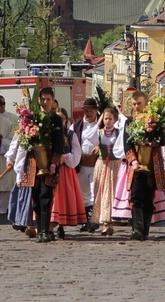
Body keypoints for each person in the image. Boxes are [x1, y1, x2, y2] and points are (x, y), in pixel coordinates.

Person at [18, 87, 65, 243]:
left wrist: (54, 163)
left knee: (46, 197)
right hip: (34, 162)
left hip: (49, 162)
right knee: (36, 198)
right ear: (38, 100)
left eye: (48, 99)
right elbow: (24, 139)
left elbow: (59, 144)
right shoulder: (32, 117)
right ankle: (39, 230)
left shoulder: (56, 119)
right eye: (43, 99)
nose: (45, 102)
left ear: (53, 101)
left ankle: (45, 230)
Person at [124, 92, 165, 241]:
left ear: (146, 103)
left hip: (151, 164)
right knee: (135, 195)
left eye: (139, 103)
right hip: (136, 165)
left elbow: (163, 139)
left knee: (148, 197)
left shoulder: (155, 120)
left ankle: (146, 229)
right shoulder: (129, 122)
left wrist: (153, 141)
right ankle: (137, 228)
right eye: (134, 104)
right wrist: (133, 161)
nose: (136, 107)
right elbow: (127, 143)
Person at [50, 107, 87, 239]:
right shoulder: (49, 133)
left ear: (66, 120)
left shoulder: (71, 135)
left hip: (65, 171)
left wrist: (65, 157)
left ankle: (60, 225)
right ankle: (49, 226)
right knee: (52, 199)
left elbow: (77, 155)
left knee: (63, 199)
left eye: (62, 119)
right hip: (51, 170)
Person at [91, 108, 122, 236]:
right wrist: (98, 122)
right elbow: (89, 137)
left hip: (115, 166)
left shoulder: (118, 132)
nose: (107, 121)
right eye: (105, 118)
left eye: (110, 118)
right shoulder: (99, 132)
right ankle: (104, 222)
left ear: (115, 120)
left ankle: (110, 223)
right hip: (102, 165)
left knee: (112, 194)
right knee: (102, 193)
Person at [72, 97, 100, 232]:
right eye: (86, 111)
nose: (88, 114)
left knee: (94, 191)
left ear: (96, 111)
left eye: (91, 111)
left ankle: (93, 220)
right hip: (82, 164)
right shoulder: (77, 125)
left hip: (96, 164)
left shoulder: (102, 125)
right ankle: (86, 221)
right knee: (84, 193)